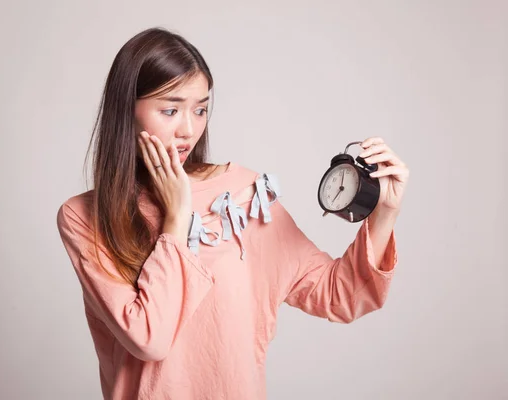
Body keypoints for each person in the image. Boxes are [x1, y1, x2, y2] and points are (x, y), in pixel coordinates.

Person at [56, 27, 409, 400]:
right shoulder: (84, 217)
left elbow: (341, 294)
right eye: (171, 110)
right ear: (127, 109)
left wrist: (384, 212)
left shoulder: (244, 196)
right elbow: (149, 338)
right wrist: (176, 217)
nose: (188, 130)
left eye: (201, 109)